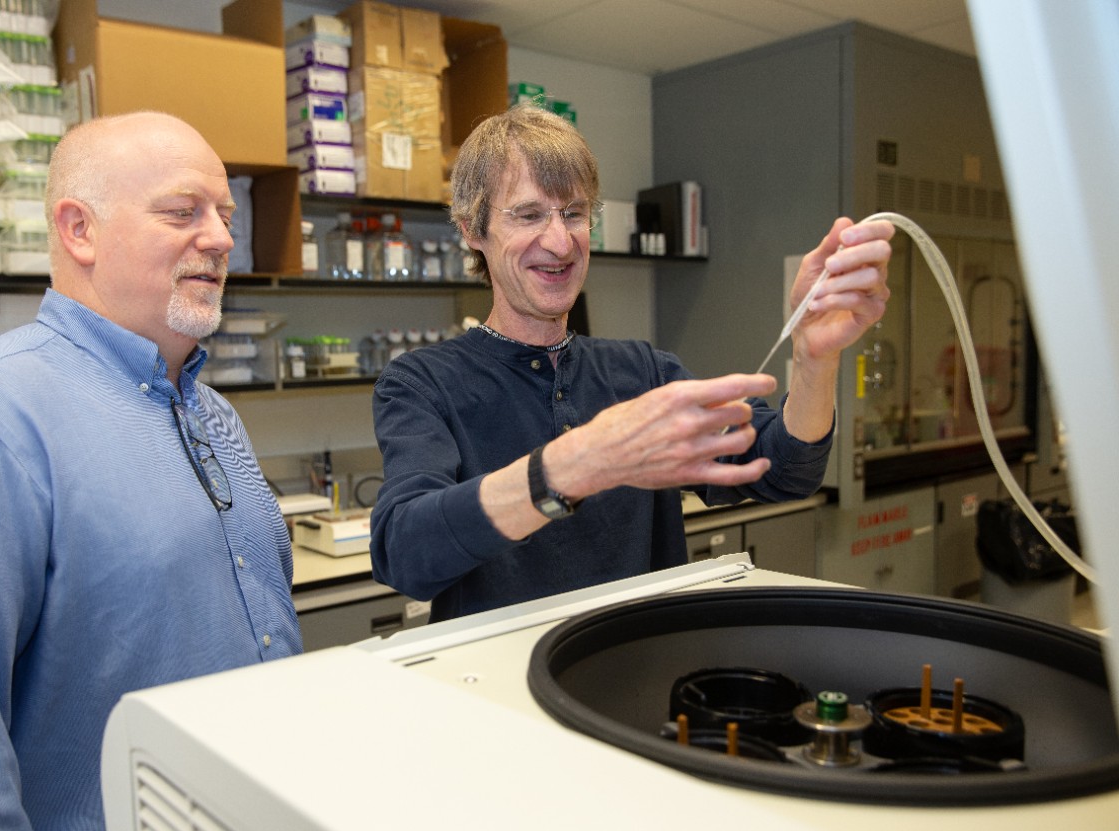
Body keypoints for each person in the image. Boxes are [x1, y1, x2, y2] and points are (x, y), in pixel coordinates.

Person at [0, 112, 302, 831]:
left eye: (224, 213)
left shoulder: (212, 414)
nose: (221, 237)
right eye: (182, 211)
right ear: (79, 229)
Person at [370, 104, 894, 622]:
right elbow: (403, 553)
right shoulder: (422, 383)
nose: (560, 242)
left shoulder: (641, 372)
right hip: (498, 672)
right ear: (472, 230)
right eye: (529, 215)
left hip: (635, 664)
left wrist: (813, 358)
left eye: (573, 213)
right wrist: (574, 465)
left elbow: (784, 471)